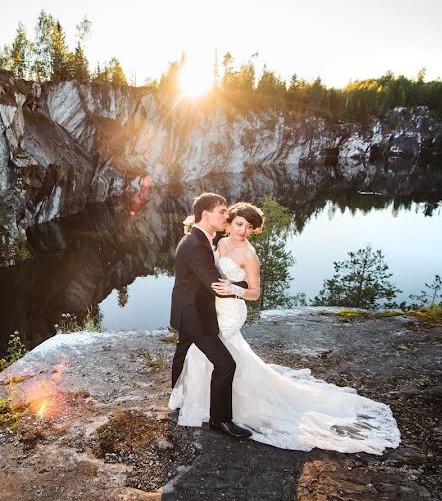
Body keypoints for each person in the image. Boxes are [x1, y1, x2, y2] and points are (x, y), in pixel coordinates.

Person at [170, 201, 401, 454]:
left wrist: (235, 289)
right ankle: (199, 401)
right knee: (211, 354)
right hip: (210, 310)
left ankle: (216, 412)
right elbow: (204, 273)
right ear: (230, 222)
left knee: (219, 355)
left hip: (230, 310)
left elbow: (255, 293)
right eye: (238, 223)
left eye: (248, 227)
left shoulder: (249, 254)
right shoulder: (219, 243)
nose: (242, 231)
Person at [170, 193, 253, 438]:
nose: (227, 216)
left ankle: (177, 398)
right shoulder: (197, 245)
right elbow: (216, 285)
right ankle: (221, 420)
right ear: (206, 215)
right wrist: (245, 288)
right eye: (222, 211)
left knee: (182, 352)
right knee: (226, 364)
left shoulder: (198, 238)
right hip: (196, 316)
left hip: (186, 310)